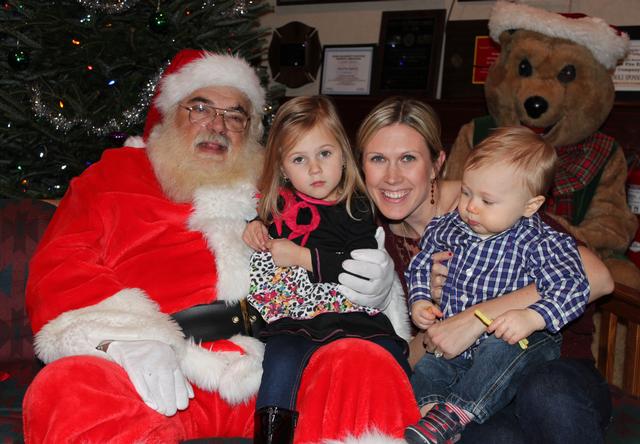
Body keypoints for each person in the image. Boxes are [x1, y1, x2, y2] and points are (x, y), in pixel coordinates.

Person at [22, 51, 419, 443]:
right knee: (66, 388)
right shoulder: (109, 178)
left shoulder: (282, 181)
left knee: (362, 364)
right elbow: (60, 269)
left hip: (276, 365)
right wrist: (120, 339)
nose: (218, 125)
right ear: (169, 112)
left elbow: (338, 233)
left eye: (235, 115)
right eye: (200, 107)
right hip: (159, 367)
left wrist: (379, 290)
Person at [346, 96, 614, 444]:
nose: (392, 176)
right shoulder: (367, 242)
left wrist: (475, 318)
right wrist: (433, 320)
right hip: (464, 382)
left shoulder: (493, 196)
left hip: (552, 367)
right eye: (378, 159)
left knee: (546, 392)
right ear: (362, 165)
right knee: (490, 436)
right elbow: (397, 361)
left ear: (436, 163)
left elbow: (598, 278)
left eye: (408, 158)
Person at [404, 127, 590, 443]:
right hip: (459, 351)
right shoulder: (451, 227)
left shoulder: (540, 242)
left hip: (520, 342)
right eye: (466, 192)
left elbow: (574, 285)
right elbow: (422, 262)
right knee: (426, 370)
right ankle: (433, 417)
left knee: (499, 348)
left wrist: (533, 316)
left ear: (530, 206)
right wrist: (420, 300)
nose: (471, 207)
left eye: (487, 200)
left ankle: (456, 412)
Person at [243, 95, 411, 442]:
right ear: (282, 168)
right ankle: (271, 433)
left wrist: (302, 257)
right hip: (292, 316)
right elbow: (264, 228)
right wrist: (254, 226)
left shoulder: (356, 205)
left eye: (325, 153)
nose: (315, 169)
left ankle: (405, 422)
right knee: (280, 358)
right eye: (299, 159)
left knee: (388, 352)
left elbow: (358, 265)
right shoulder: (278, 203)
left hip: (350, 313)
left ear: (344, 155)